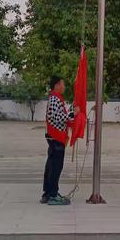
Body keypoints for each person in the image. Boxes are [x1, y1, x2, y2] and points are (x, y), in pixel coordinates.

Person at [40, 76, 80, 206]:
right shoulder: (54, 100)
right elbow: (59, 118)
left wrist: (70, 111)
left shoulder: (56, 99)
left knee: (51, 166)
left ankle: (47, 193)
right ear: (57, 85)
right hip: (56, 138)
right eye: (63, 84)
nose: (64, 87)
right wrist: (73, 113)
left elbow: (59, 116)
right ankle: (52, 195)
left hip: (55, 138)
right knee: (55, 167)